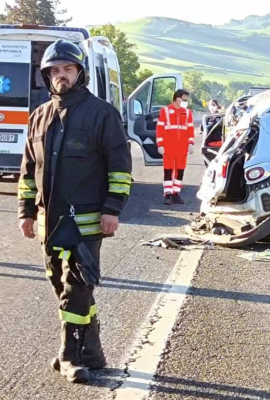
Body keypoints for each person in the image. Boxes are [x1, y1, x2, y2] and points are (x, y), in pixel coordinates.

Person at [17, 39, 132, 383]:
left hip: (87, 223)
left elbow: (120, 167)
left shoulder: (102, 114)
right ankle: (92, 351)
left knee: (77, 287)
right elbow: (27, 171)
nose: (61, 75)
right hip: (48, 222)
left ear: (79, 73)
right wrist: (25, 211)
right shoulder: (38, 117)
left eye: (68, 69)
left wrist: (112, 209)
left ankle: (69, 355)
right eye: (55, 71)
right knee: (60, 285)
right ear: (47, 77)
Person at [156, 89, 195, 205]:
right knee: (168, 170)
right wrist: (160, 144)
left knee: (180, 170)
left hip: (182, 147)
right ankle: (167, 193)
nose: (186, 102)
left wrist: (191, 143)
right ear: (177, 98)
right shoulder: (165, 111)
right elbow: (160, 128)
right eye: (184, 100)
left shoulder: (187, 113)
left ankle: (175, 193)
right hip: (168, 146)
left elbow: (190, 129)